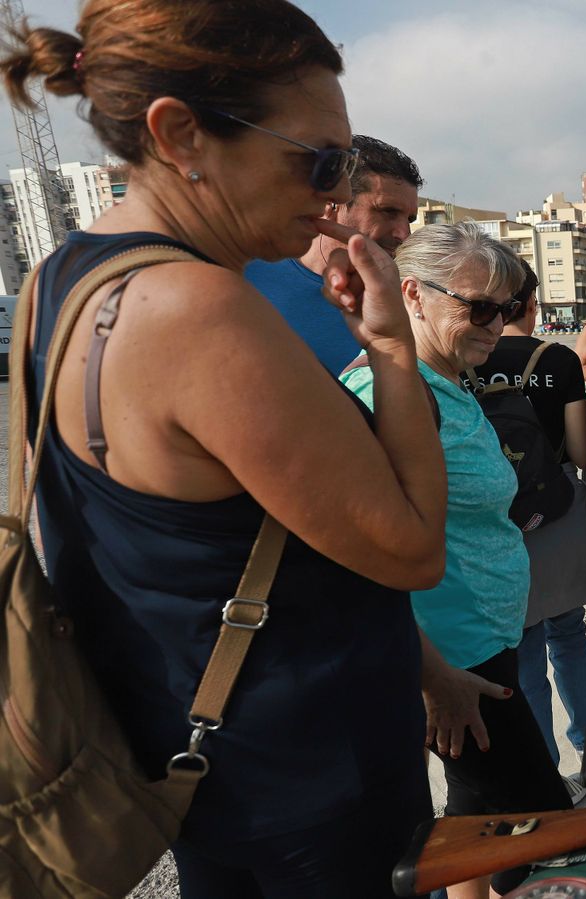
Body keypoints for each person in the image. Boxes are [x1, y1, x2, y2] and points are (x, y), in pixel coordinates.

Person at [2, 3, 448, 894]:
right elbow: (411, 547)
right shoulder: (199, 309)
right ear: (181, 136)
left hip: (204, 760)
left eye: (348, 163)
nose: (335, 194)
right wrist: (394, 350)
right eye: (320, 160)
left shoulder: (63, 276)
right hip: (309, 788)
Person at [342, 224, 569, 899]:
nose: (497, 324)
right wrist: (432, 674)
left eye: (506, 307)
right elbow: (360, 559)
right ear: (411, 293)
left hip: (481, 643)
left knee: (478, 822)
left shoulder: (442, 381)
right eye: (479, 307)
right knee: (542, 829)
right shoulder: (383, 393)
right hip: (452, 659)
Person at [460, 259, 586, 780]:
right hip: (556, 514)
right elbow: (583, 455)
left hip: (495, 521)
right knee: (570, 634)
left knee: (522, 653)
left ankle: (544, 764)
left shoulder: (462, 363)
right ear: (535, 304)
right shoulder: (559, 359)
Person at [245, 134, 422, 375]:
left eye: (409, 219)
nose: (404, 234)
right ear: (332, 203)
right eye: (387, 211)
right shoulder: (245, 276)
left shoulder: (411, 298)